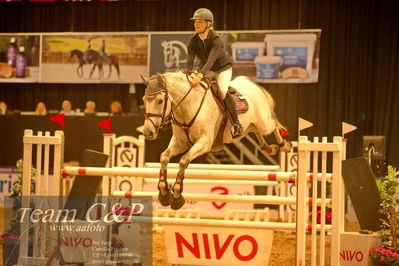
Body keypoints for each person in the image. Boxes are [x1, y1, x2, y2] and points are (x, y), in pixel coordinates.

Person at [185, 8, 243, 138]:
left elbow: (211, 61)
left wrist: (200, 76)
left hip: (222, 68)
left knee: (222, 90)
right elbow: (190, 61)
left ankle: (236, 124)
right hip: (205, 68)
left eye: (200, 22)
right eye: (195, 22)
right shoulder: (193, 40)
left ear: (209, 24)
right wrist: (187, 74)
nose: (196, 24)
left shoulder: (216, 39)